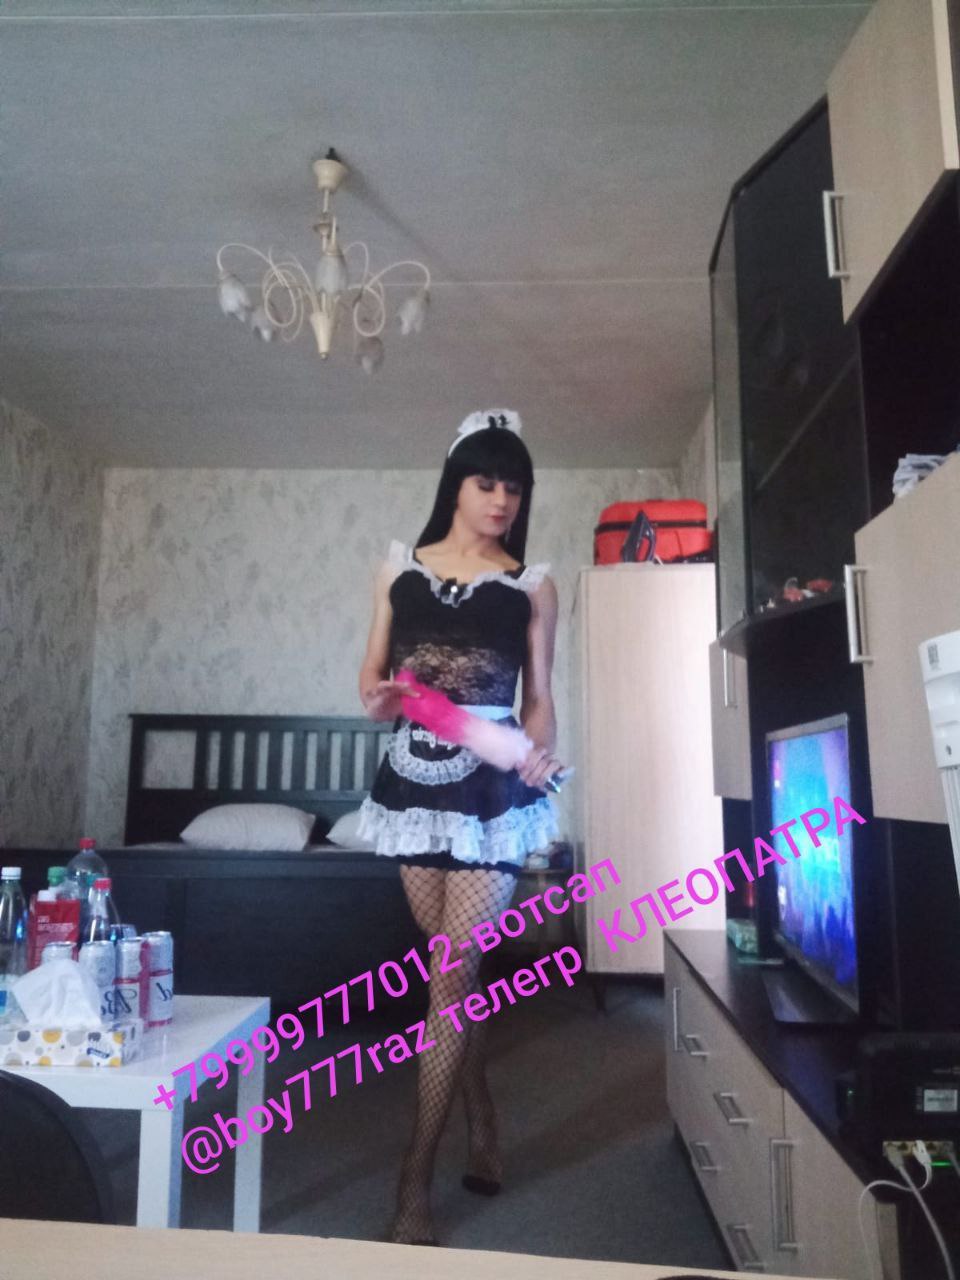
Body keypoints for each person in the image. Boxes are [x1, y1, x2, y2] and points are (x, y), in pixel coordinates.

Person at [357, 409, 565, 1246]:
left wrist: (538, 751)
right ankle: (482, 1116)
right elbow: (370, 682)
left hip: (491, 793)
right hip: (411, 782)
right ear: (455, 485)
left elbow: (538, 698)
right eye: (486, 482)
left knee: (449, 976)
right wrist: (381, 698)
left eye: (514, 487)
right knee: (457, 973)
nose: (502, 499)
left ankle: (413, 1184)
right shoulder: (397, 570)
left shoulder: (531, 583)